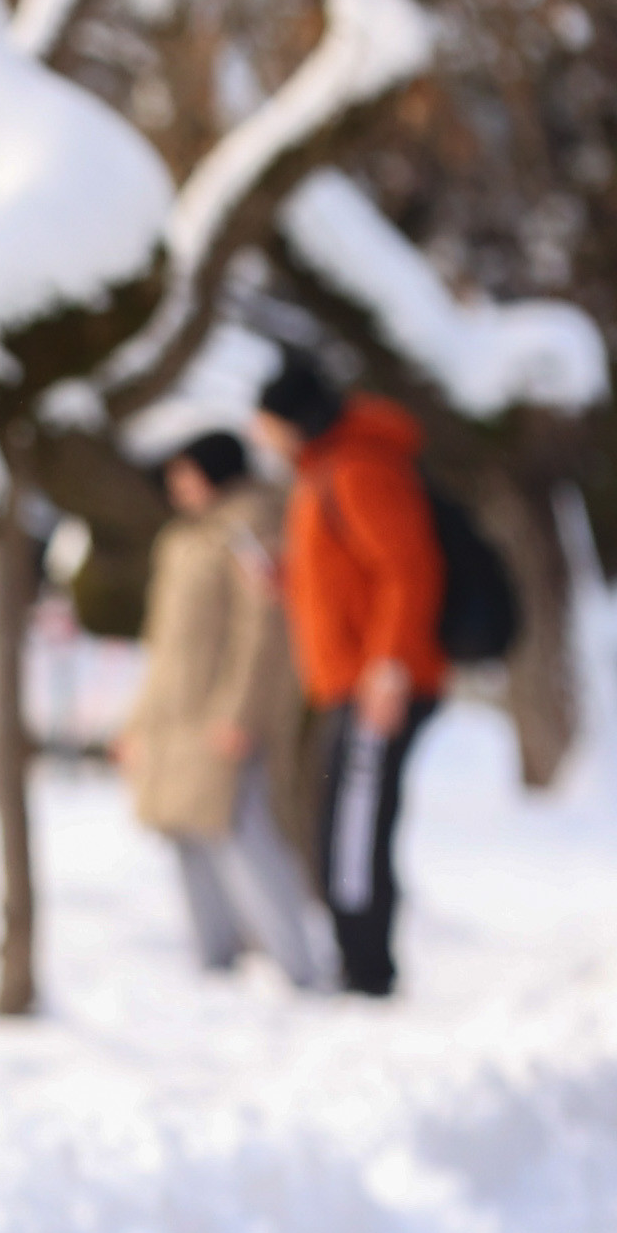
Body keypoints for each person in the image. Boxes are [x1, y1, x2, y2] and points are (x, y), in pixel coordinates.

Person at [253, 352, 444, 1000]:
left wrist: (387, 668)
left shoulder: (357, 469)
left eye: (267, 423)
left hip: (379, 684)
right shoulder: (321, 473)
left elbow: (407, 569)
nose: (262, 438)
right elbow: (344, 578)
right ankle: (355, 965)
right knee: (337, 819)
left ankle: (367, 976)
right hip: (348, 680)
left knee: (353, 826)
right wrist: (283, 579)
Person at [118, 432, 328, 990]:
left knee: (242, 832)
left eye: (187, 474)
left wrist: (241, 712)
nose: (176, 487)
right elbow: (161, 643)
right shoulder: (182, 539)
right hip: (175, 716)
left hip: (218, 714)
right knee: (186, 833)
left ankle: (296, 966)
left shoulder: (250, 530)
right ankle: (214, 963)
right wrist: (137, 722)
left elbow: (262, 631)